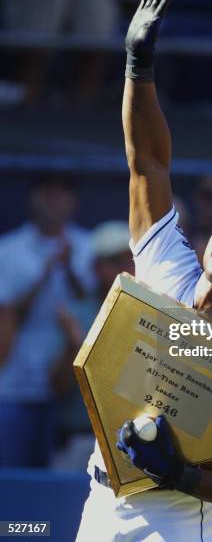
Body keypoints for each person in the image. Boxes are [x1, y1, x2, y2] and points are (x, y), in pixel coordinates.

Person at [76, 0, 212, 542]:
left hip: (177, 515)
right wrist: (138, 65)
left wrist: (184, 475)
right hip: (101, 500)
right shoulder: (168, 267)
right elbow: (147, 163)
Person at [0, 173, 93, 467]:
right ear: (32, 197)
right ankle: (17, 519)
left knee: (63, 486)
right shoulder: (8, 249)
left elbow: (95, 306)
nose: (54, 200)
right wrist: (46, 272)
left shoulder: (89, 246)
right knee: (14, 480)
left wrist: (67, 270)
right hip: (19, 386)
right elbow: (11, 315)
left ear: (73, 201)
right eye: (46, 191)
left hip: (73, 393)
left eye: (62, 192)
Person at [50, 221, 134, 471]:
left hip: (131, 442)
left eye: (129, 259)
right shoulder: (73, 313)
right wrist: (75, 343)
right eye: (115, 261)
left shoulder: (152, 312)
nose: (125, 268)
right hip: (79, 438)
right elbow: (58, 386)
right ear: (96, 267)